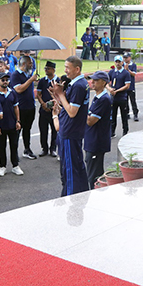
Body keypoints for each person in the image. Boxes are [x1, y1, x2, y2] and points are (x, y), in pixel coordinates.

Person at [51, 56, 90, 196]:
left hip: (70, 132)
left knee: (70, 169)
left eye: (68, 67)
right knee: (77, 165)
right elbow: (69, 108)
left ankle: (70, 197)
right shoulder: (79, 84)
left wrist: (61, 94)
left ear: (77, 69)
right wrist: (58, 96)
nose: (65, 70)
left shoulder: (79, 85)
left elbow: (72, 112)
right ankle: (82, 193)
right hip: (72, 131)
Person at [84, 71, 112, 187]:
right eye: (92, 80)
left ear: (104, 82)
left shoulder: (103, 99)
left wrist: (79, 112)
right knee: (92, 170)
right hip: (92, 139)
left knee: (94, 175)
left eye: (96, 80)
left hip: (96, 142)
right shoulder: (97, 97)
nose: (92, 82)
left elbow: (90, 121)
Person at [0, 73, 23, 177]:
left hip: (12, 124)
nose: (5, 81)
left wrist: (18, 121)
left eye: (7, 79)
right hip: (0, 125)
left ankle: (15, 166)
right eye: (3, 80)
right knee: (1, 146)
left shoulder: (12, 93)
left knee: (14, 145)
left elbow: (16, 107)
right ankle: (2, 166)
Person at [11, 55, 37, 160]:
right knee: (17, 131)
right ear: (24, 64)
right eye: (30, 63)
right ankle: (14, 153)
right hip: (20, 108)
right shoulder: (15, 75)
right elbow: (18, 89)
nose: (32, 65)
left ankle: (27, 149)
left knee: (27, 129)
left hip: (30, 106)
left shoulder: (28, 74)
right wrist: (31, 80)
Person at [35, 61, 58, 157]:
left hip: (54, 109)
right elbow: (38, 94)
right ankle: (44, 148)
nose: (46, 70)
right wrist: (43, 104)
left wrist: (54, 105)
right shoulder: (42, 81)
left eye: (48, 69)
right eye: (45, 68)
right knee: (43, 130)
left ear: (53, 70)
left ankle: (53, 149)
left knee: (54, 130)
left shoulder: (58, 81)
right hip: (44, 110)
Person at [108, 55, 131, 137]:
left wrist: (117, 91)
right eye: (116, 62)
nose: (117, 63)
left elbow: (127, 85)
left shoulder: (125, 73)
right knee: (112, 115)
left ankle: (125, 130)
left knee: (124, 115)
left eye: (119, 62)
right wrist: (110, 89)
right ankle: (112, 131)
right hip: (113, 97)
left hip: (122, 97)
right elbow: (106, 83)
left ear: (122, 62)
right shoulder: (112, 72)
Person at [124, 52, 140, 122]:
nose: (125, 59)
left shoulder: (133, 65)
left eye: (126, 58)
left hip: (131, 86)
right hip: (124, 86)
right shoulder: (122, 65)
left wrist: (128, 70)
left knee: (133, 101)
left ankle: (135, 114)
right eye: (124, 58)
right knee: (125, 101)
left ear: (130, 58)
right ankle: (126, 113)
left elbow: (134, 74)